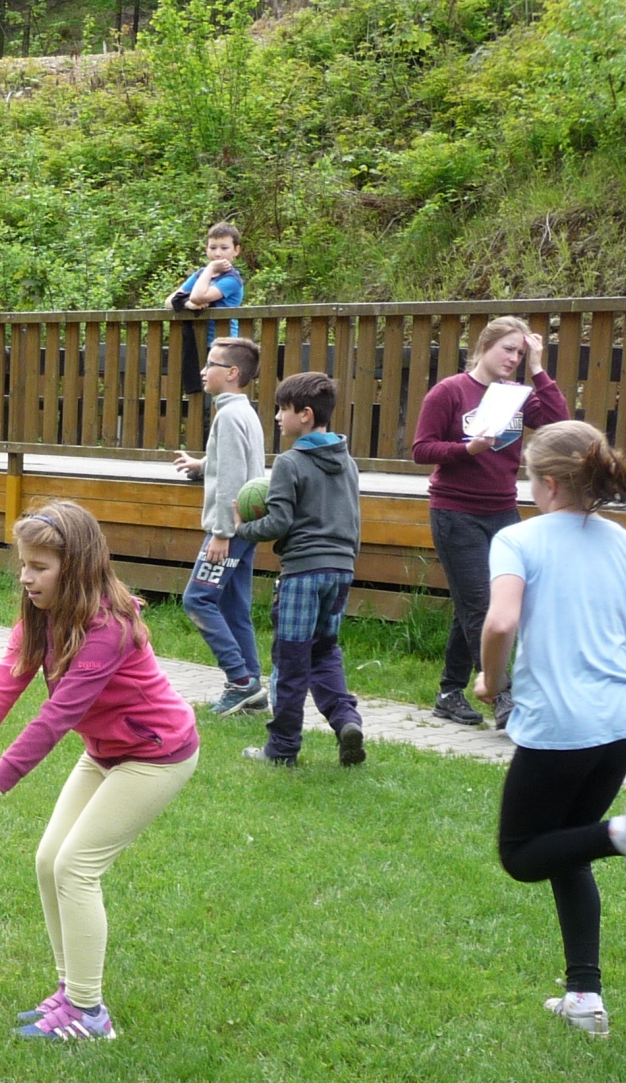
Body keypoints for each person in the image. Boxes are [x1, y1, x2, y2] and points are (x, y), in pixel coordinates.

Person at [0, 500, 199, 1043]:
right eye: (23, 565)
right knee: (49, 860)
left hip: (156, 754)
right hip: (105, 750)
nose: (26, 578)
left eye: (40, 567)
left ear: (77, 569)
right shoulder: (41, 618)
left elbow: (55, 718)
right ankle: (71, 993)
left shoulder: (108, 629)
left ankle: (89, 1014)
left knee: (76, 867)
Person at [475, 421, 626, 1038]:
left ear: (547, 482)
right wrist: (612, 668)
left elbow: (499, 624)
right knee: (571, 845)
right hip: (622, 721)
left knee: (522, 855)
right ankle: (585, 999)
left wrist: (492, 682)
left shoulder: (518, 540)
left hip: (561, 723)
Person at [413, 315, 570, 731]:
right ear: (485, 346)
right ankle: (503, 696)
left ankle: (449, 692)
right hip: (455, 511)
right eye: (508, 349)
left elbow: (558, 424)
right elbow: (422, 449)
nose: (513, 359)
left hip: (503, 512)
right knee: (481, 605)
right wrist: (468, 450)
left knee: (474, 603)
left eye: (520, 353)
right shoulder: (450, 391)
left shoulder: (516, 395)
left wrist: (538, 369)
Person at [234, 371, 365, 768]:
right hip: (341, 570)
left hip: (302, 575)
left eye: (283, 409)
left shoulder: (290, 463)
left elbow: (278, 523)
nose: (277, 417)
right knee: (324, 652)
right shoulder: (349, 463)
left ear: (305, 415)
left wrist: (243, 527)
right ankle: (346, 721)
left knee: (291, 661)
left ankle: (282, 748)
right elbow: (355, 522)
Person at [173, 337, 267, 715]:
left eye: (210, 364)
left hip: (230, 530)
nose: (202, 371)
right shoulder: (243, 411)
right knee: (233, 606)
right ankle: (253, 689)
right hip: (247, 527)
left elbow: (231, 478)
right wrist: (201, 465)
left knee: (197, 599)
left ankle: (239, 680)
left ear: (232, 373)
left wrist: (220, 533)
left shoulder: (227, 416)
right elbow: (234, 462)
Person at [167, 222, 246, 393]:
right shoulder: (201, 275)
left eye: (224, 248)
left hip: (223, 345)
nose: (218, 253)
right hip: (198, 342)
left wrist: (210, 268)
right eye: (213, 247)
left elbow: (198, 296)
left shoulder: (232, 279)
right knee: (200, 392)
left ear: (236, 250)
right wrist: (187, 304)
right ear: (206, 249)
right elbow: (169, 301)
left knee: (217, 392)